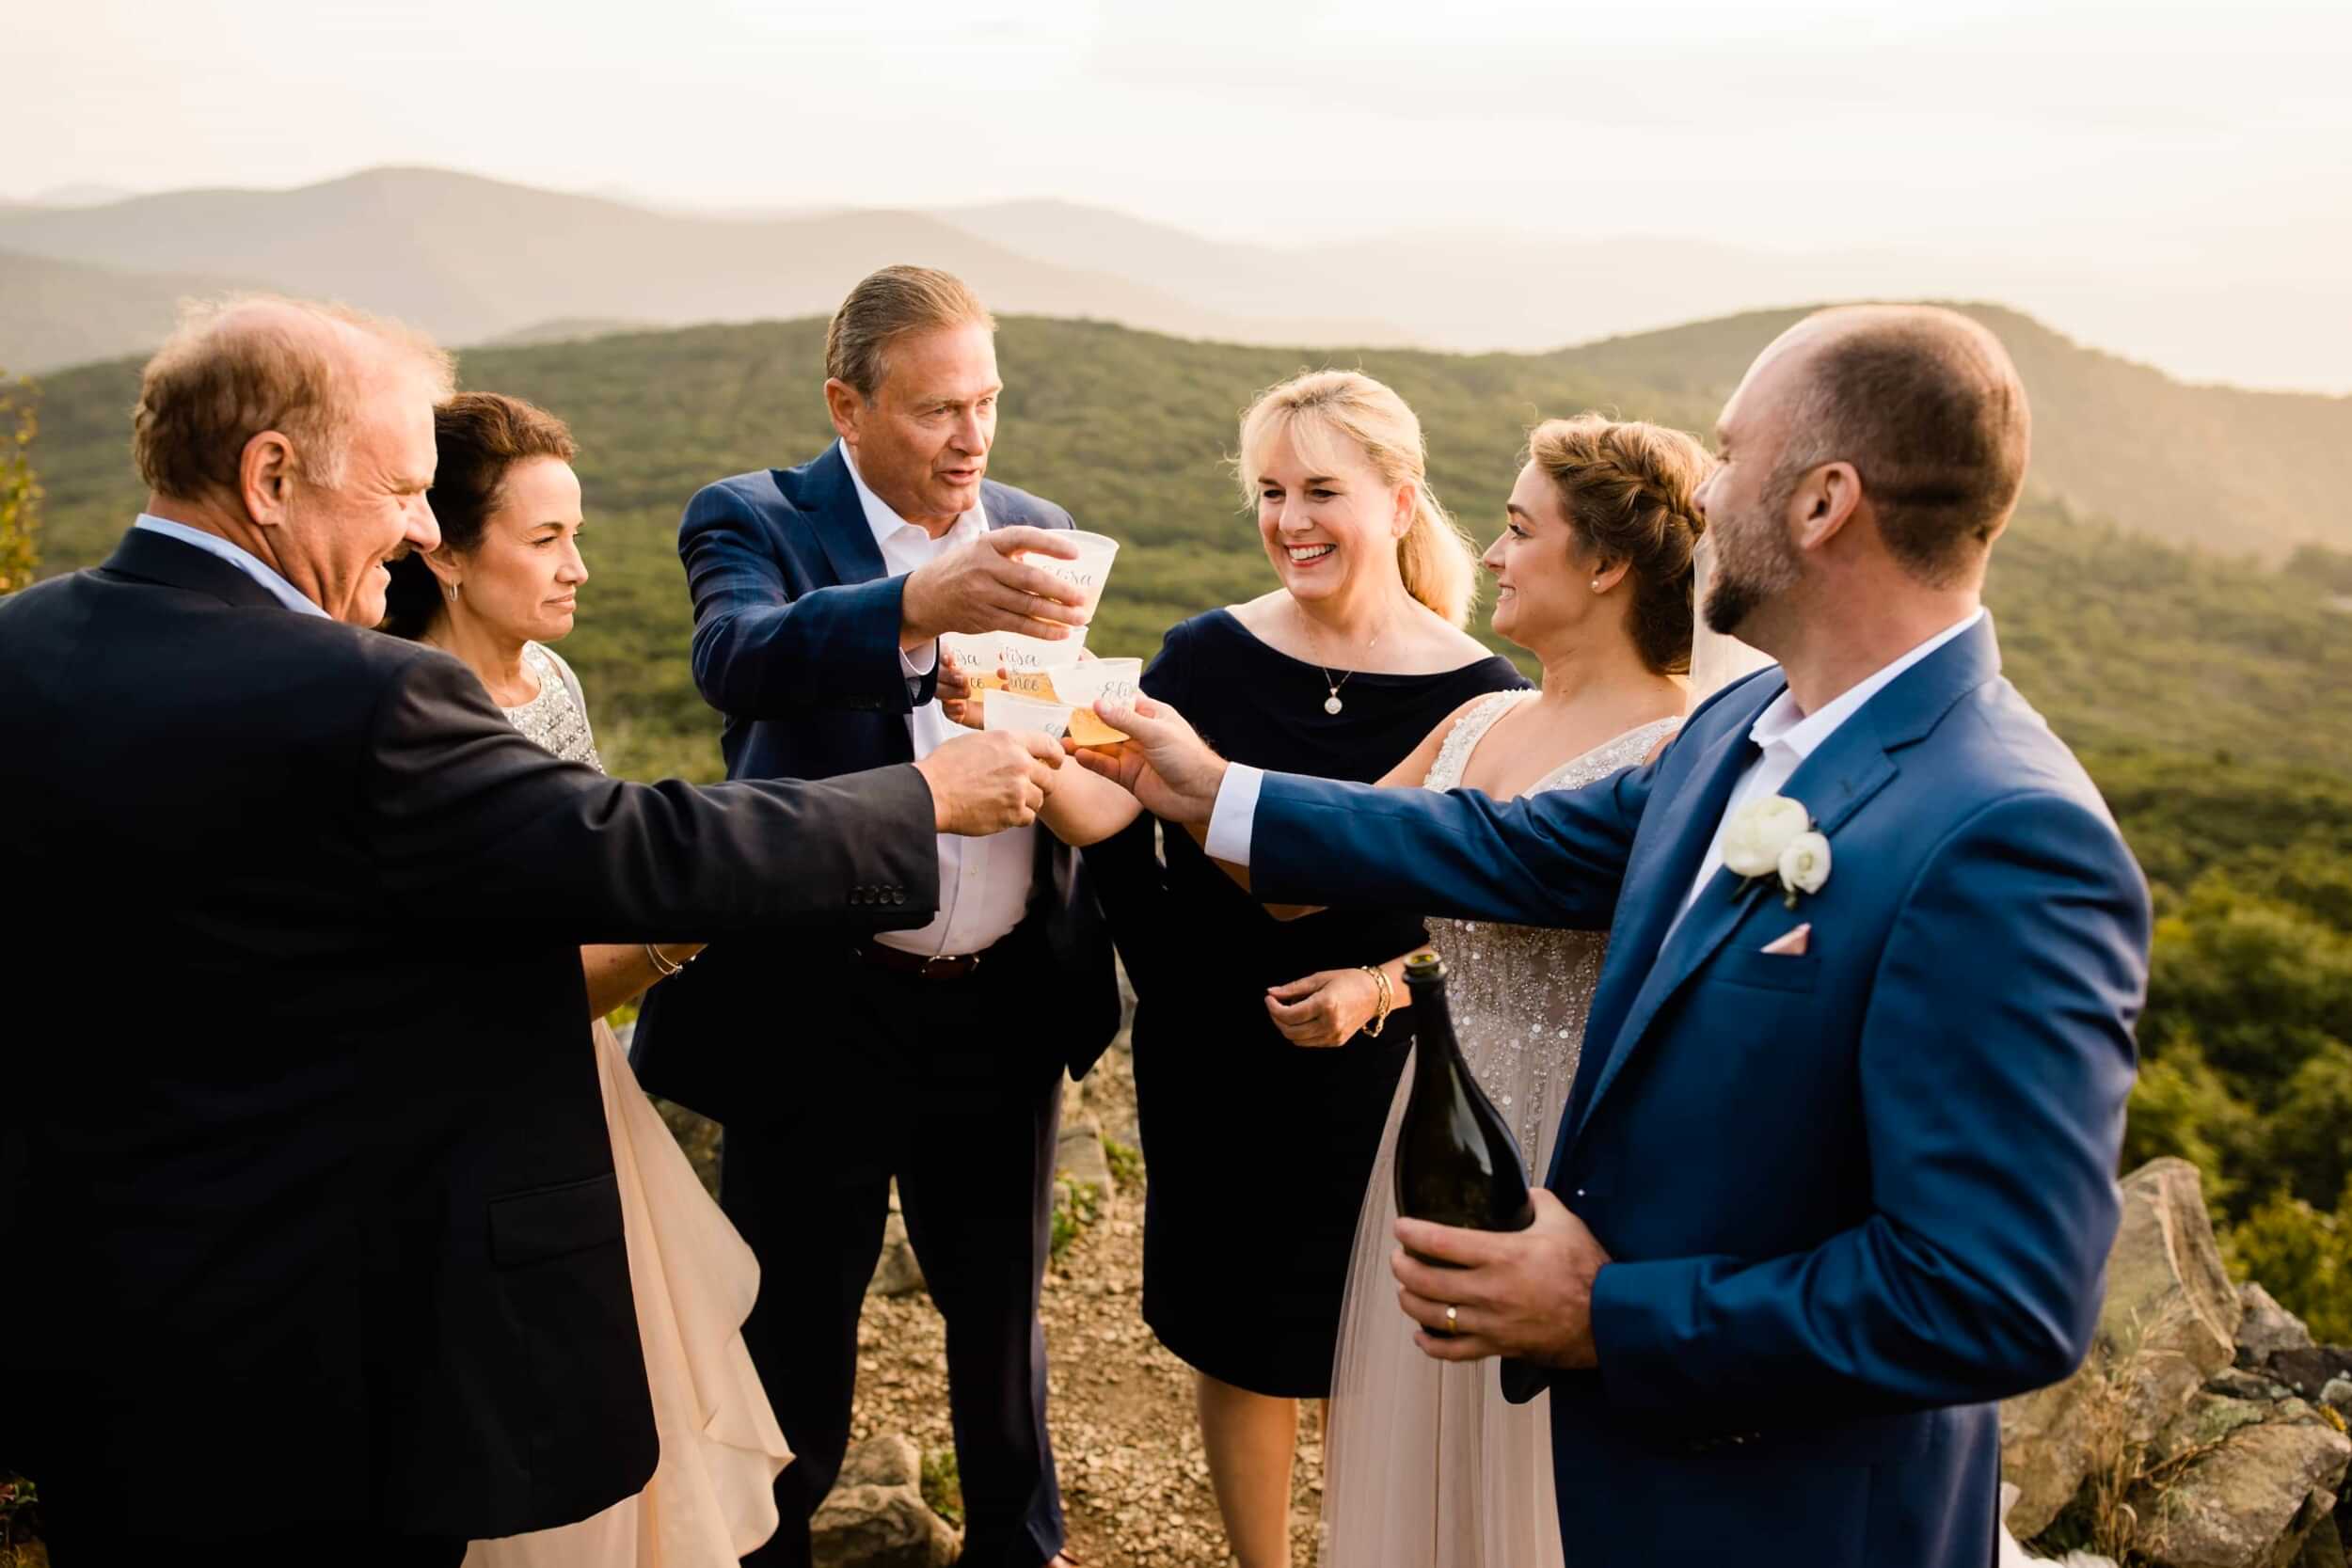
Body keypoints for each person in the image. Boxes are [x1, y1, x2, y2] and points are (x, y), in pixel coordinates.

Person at [1077, 306, 2152, 1567]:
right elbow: (1502, 847)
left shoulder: (2006, 830)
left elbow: (1994, 1299)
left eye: (1728, 456)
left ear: (1823, 502)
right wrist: (1211, 790)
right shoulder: (1744, 721)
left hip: (1789, 1514)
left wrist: (1606, 1311)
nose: (1703, 492)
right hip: (1620, 1476)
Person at [0, 295, 1061, 1567]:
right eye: (401, 486)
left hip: (86, 1310)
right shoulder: (367, 695)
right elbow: (630, 847)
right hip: (317, 1341)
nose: (414, 526)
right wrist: (924, 798)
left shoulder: (24, 644)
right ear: (269, 473)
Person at [628, 266, 1120, 1568]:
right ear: (847, 405)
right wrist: (916, 607)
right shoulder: (753, 516)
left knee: (1001, 1322)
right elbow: (737, 655)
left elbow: (1054, 735)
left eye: (987, 402)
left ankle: (1024, 1550)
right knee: (795, 1322)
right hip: (820, 998)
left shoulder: (1036, 525)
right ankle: (768, 1548)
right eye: (935, 410)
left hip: (1003, 999)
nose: (972, 438)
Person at [1028, 370, 1525, 1568]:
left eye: (1320, 490)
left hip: (1389, 1067)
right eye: (1268, 491)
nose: (1289, 518)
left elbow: (1491, 920)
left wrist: (1380, 983)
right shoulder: (1207, 652)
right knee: (1241, 1343)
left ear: (1401, 501)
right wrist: (1011, 719)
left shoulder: (1483, 695)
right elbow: (1105, 803)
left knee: (1373, 1352)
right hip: (1213, 1046)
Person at [379, 390, 791, 1567]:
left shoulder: (548, 683)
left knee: (630, 1372)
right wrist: (679, 934)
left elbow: (596, 877)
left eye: (577, 535)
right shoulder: (402, 705)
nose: (581, 570)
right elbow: (488, 990)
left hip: (585, 1080)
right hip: (466, 1110)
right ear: (449, 556)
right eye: (547, 539)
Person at [1317, 414, 1709, 1568]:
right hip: (1439, 1119)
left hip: (1585, 1148)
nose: (1487, 554)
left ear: (1603, 564)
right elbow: (1294, 863)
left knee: (1551, 1479)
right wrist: (1137, 754)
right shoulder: (1477, 718)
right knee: (1428, 1453)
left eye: (1515, 528)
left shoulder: (1685, 753)